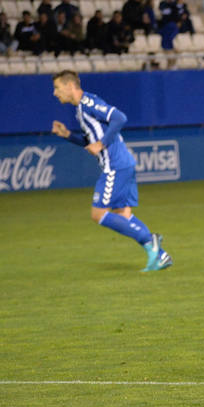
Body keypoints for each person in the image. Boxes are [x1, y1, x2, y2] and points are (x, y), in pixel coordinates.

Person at [51, 71, 172, 272]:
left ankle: (150, 239)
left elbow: (119, 117)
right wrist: (67, 135)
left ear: (70, 86)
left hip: (115, 166)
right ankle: (161, 257)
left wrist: (102, 143)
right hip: (123, 163)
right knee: (122, 214)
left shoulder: (89, 102)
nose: (55, 93)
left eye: (57, 87)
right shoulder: (81, 109)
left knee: (98, 214)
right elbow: (90, 142)